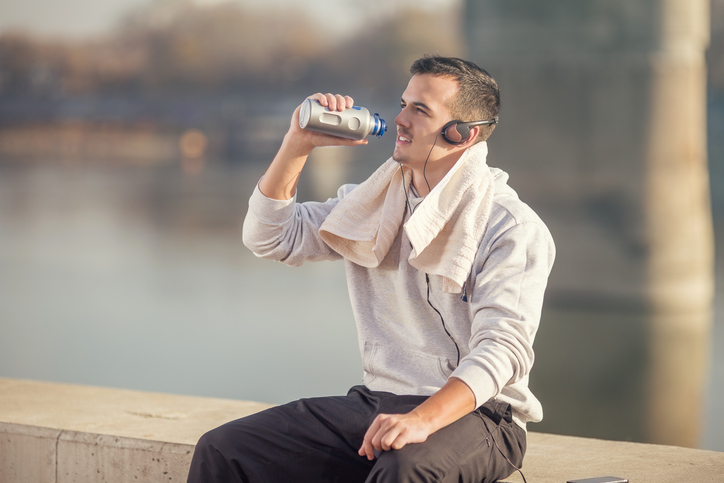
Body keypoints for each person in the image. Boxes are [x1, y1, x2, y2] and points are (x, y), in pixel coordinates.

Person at [187, 55, 555, 483]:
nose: (399, 119)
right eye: (403, 104)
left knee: (404, 467)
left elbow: (503, 351)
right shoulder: (370, 204)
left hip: (482, 417)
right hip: (380, 401)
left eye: (420, 110)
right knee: (225, 449)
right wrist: (297, 143)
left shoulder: (510, 226)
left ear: (461, 134)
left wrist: (423, 419)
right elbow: (270, 237)